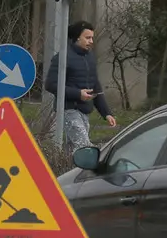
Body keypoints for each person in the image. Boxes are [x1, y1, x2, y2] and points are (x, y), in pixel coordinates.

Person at [44, 20, 117, 151]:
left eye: (92, 38)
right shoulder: (62, 57)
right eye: (87, 38)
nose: (91, 41)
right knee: (85, 148)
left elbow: (96, 86)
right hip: (69, 110)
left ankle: (65, 169)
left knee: (73, 151)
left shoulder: (90, 57)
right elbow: (51, 84)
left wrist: (106, 113)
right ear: (77, 37)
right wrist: (78, 94)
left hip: (85, 111)